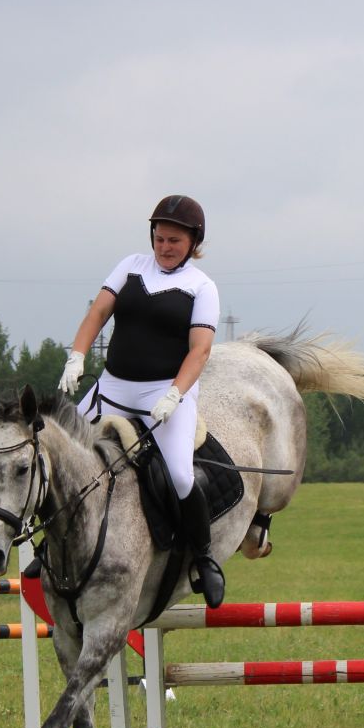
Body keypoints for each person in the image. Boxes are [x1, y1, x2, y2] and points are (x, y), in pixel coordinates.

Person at [58, 194, 226, 606]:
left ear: (193, 242)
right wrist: (77, 355)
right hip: (113, 387)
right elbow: (97, 314)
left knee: (182, 476)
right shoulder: (131, 266)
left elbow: (199, 351)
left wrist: (175, 392)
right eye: (160, 238)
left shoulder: (201, 288)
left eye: (174, 241)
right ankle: (52, 546)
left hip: (166, 391)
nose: (165, 248)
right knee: (59, 449)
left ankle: (203, 557)